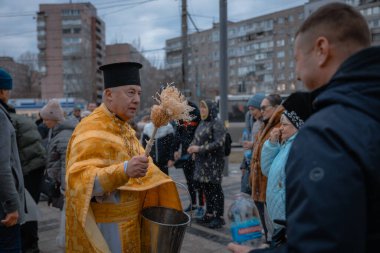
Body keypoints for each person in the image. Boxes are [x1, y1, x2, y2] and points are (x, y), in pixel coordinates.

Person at [228, 2, 380, 253]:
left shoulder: (328, 132)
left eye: (297, 59)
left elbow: (320, 246)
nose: (297, 74)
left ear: (321, 49)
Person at [65, 62, 182, 252]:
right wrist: (125, 170)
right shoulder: (90, 128)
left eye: (139, 93)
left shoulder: (125, 129)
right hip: (108, 231)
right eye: (130, 93)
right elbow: (78, 181)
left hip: (133, 223)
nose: (136, 99)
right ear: (109, 95)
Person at [260, 92, 312, 247]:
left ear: (297, 126)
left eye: (284, 124)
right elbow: (267, 170)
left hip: (287, 220)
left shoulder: (299, 147)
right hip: (278, 217)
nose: (280, 128)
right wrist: (271, 144)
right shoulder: (286, 144)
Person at [8, 106, 46, 253]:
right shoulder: (20, 119)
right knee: (30, 208)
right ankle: (32, 244)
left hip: (28, 168)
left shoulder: (8, 120)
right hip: (36, 167)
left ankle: (30, 245)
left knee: (26, 210)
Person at [40, 99, 76, 248]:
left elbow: (65, 165)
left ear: (53, 119)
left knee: (67, 222)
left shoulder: (63, 135)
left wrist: (65, 189)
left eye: (46, 119)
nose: (44, 122)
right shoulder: (57, 132)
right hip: (63, 185)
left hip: (67, 188)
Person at [188, 99, 226, 229]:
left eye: (204, 108)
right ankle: (209, 214)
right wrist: (192, 146)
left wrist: (199, 149)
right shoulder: (203, 123)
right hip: (202, 164)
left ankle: (218, 217)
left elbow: (219, 143)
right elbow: (196, 138)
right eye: (201, 108)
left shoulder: (217, 123)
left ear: (210, 109)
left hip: (213, 164)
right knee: (206, 189)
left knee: (215, 189)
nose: (202, 110)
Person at [250, 93, 283, 241]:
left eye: (264, 108)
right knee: (265, 226)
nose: (261, 110)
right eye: (260, 108)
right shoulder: (264, 125)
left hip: (270, 187)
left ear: (276, 108)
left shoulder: (280, 127)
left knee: (274, 230)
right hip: (258, 185)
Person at [0, 67, 26, 252]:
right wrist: (11, 206)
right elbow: (2, 166)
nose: (9, 95)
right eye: (8, 90)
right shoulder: (1, 117)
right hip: (3, 208)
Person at [171, 100, 204, 217]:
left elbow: (200, 134)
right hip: (185, 153)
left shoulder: (196, 115)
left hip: (195, 153)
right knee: (189, 180)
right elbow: (178, 134)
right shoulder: (180, 118)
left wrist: (196, 148)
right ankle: (193, 203)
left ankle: (201, 205)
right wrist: (175, 150)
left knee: (198, 181)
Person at [241, 93, 265, 194]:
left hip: (261, 167)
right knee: (246, 193)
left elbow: (267, 145)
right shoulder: (254, 123)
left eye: (253, 109)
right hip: (250, 165)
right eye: (249, 109)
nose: (251, 113)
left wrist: (253, 145)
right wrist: (243, 165)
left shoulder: (267, 124)